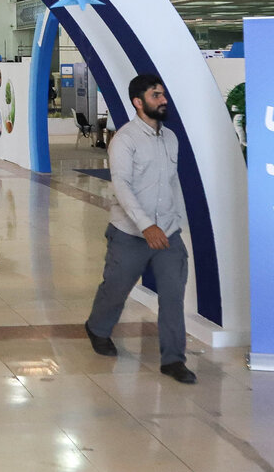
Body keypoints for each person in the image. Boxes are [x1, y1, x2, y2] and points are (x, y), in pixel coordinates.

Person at [84, 74, 196, 385]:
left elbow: (172, 184)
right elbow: (121, 186)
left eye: (163, 94)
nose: (163, 100)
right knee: (115, 289)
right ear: (138, 102)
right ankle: (97, 327)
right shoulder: (125, 139)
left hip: (167, 233)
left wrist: (176, 223)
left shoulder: (171, 138)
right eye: (156, 95)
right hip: (130, 233)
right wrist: (146, 226)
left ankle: (174, 359)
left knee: (173, 296)